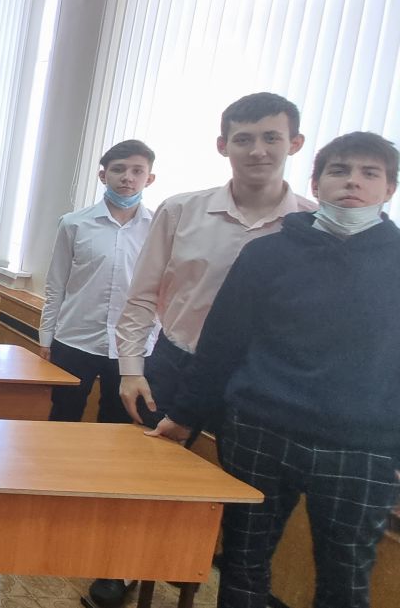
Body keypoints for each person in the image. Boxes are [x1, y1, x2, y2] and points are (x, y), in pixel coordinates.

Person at [147, 131, 399, 608]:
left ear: (389, 189)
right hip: (262, 431)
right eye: (340, 170)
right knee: (243, 564)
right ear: (317, 184)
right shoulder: (267, 253)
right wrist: (183, 416)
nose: (353, 182)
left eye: (370, 173)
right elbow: (222, 344)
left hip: (362, 448)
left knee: (346, 578)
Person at [96, 92, 313, 607]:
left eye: (271, 138)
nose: (257, 150)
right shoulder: (181, 210)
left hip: (259, 381)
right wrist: (131, 369)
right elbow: (142, 295)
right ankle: (123, 566)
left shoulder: (312, 224)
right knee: (147, 480)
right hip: (177, 363)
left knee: (249, 504)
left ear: (294, 143)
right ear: (223, 145)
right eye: (243, 139)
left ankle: (234, 589)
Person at [39, 140, 158, 424]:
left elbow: (161, 291)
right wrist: (46, 338)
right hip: (74, 339)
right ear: (103, 175)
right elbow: (56, 284)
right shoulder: (73, 223)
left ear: (149, 178)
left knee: (118, 422)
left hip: (131, 346)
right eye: (118, 169)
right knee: (63, 416)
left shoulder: (158, 228)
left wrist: (152, 339)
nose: (127, 177)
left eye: (137, 171)